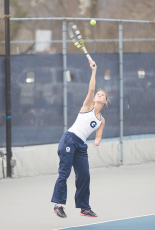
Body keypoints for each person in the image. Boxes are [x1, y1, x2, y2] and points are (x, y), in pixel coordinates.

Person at [51, 60, 109, 218]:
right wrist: (94, 71)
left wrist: (97, 141)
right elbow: (91, 89)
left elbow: (98, 135)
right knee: (64, 172)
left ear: (105, 101)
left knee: (84, 175)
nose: (99, 94)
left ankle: (84, 207)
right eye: (98, 93)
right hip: (69, 140)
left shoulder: (101, 120)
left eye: (102, 95)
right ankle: (58, 205)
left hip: (81, 146)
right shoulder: (87, 107)